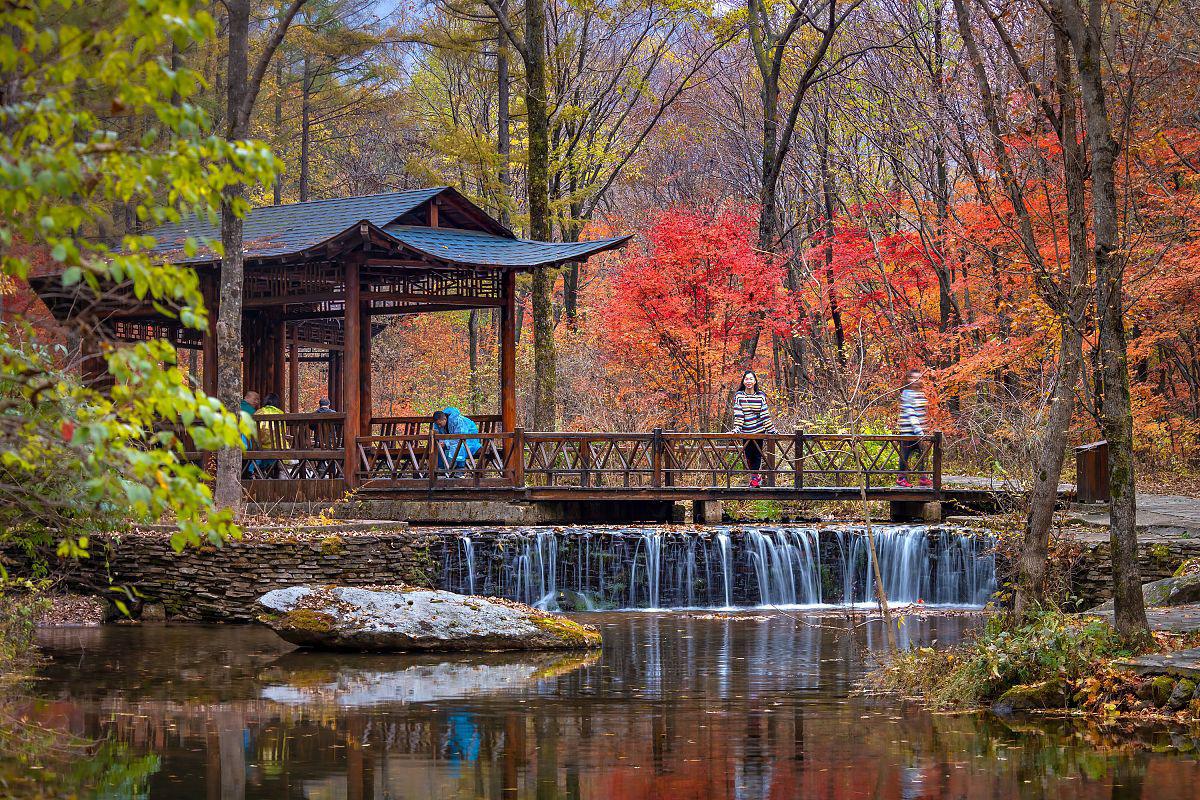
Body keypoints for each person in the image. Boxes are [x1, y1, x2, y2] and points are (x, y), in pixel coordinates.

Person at [731, 370, 776, 488]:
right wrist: (737, 429)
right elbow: (739, 414)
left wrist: (771, 430)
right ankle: (755, 476)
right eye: (746, 379)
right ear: (743, 381)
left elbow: (764, 414)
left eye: (751, 379)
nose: (749, 381)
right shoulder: (739, 396)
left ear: (755, 381)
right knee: (748, 455)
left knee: (757, 454)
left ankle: (755, 479)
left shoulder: (761, 395)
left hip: (759, 431)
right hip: (745, 431)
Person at [897, 369, 930, 487]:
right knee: (905, 455)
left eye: (918, 378)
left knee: (923, 454)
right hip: (908, 432)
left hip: (920, 432)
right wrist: (919, 430)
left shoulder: (921, 394)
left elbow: (923, 412)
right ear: (909, 380)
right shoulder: (906, 394)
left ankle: (923, 477)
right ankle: (901, 478)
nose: (916, 381)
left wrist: (925, 427)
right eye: (913, 378)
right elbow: (911, 413)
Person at [432, 408, 481, 476]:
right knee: (439, 447)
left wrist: (446, 443)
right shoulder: (437, 425)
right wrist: (442, 443)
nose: (439, 426)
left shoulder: (457, 421)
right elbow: (439, 436)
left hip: (469, 439)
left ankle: (460, 469)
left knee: (460, 447)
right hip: (453, 440)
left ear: (444, 419)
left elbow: (460, 437)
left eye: (440, 424)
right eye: (438, 424)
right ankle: (440, 468)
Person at [252, 392, 286, 478]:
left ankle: (259, 471)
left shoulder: (258, 413)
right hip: (278, 446)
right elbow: (283, 431)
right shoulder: (281, 413)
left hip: (261, 447)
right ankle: (274, 471)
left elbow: (253, 430)